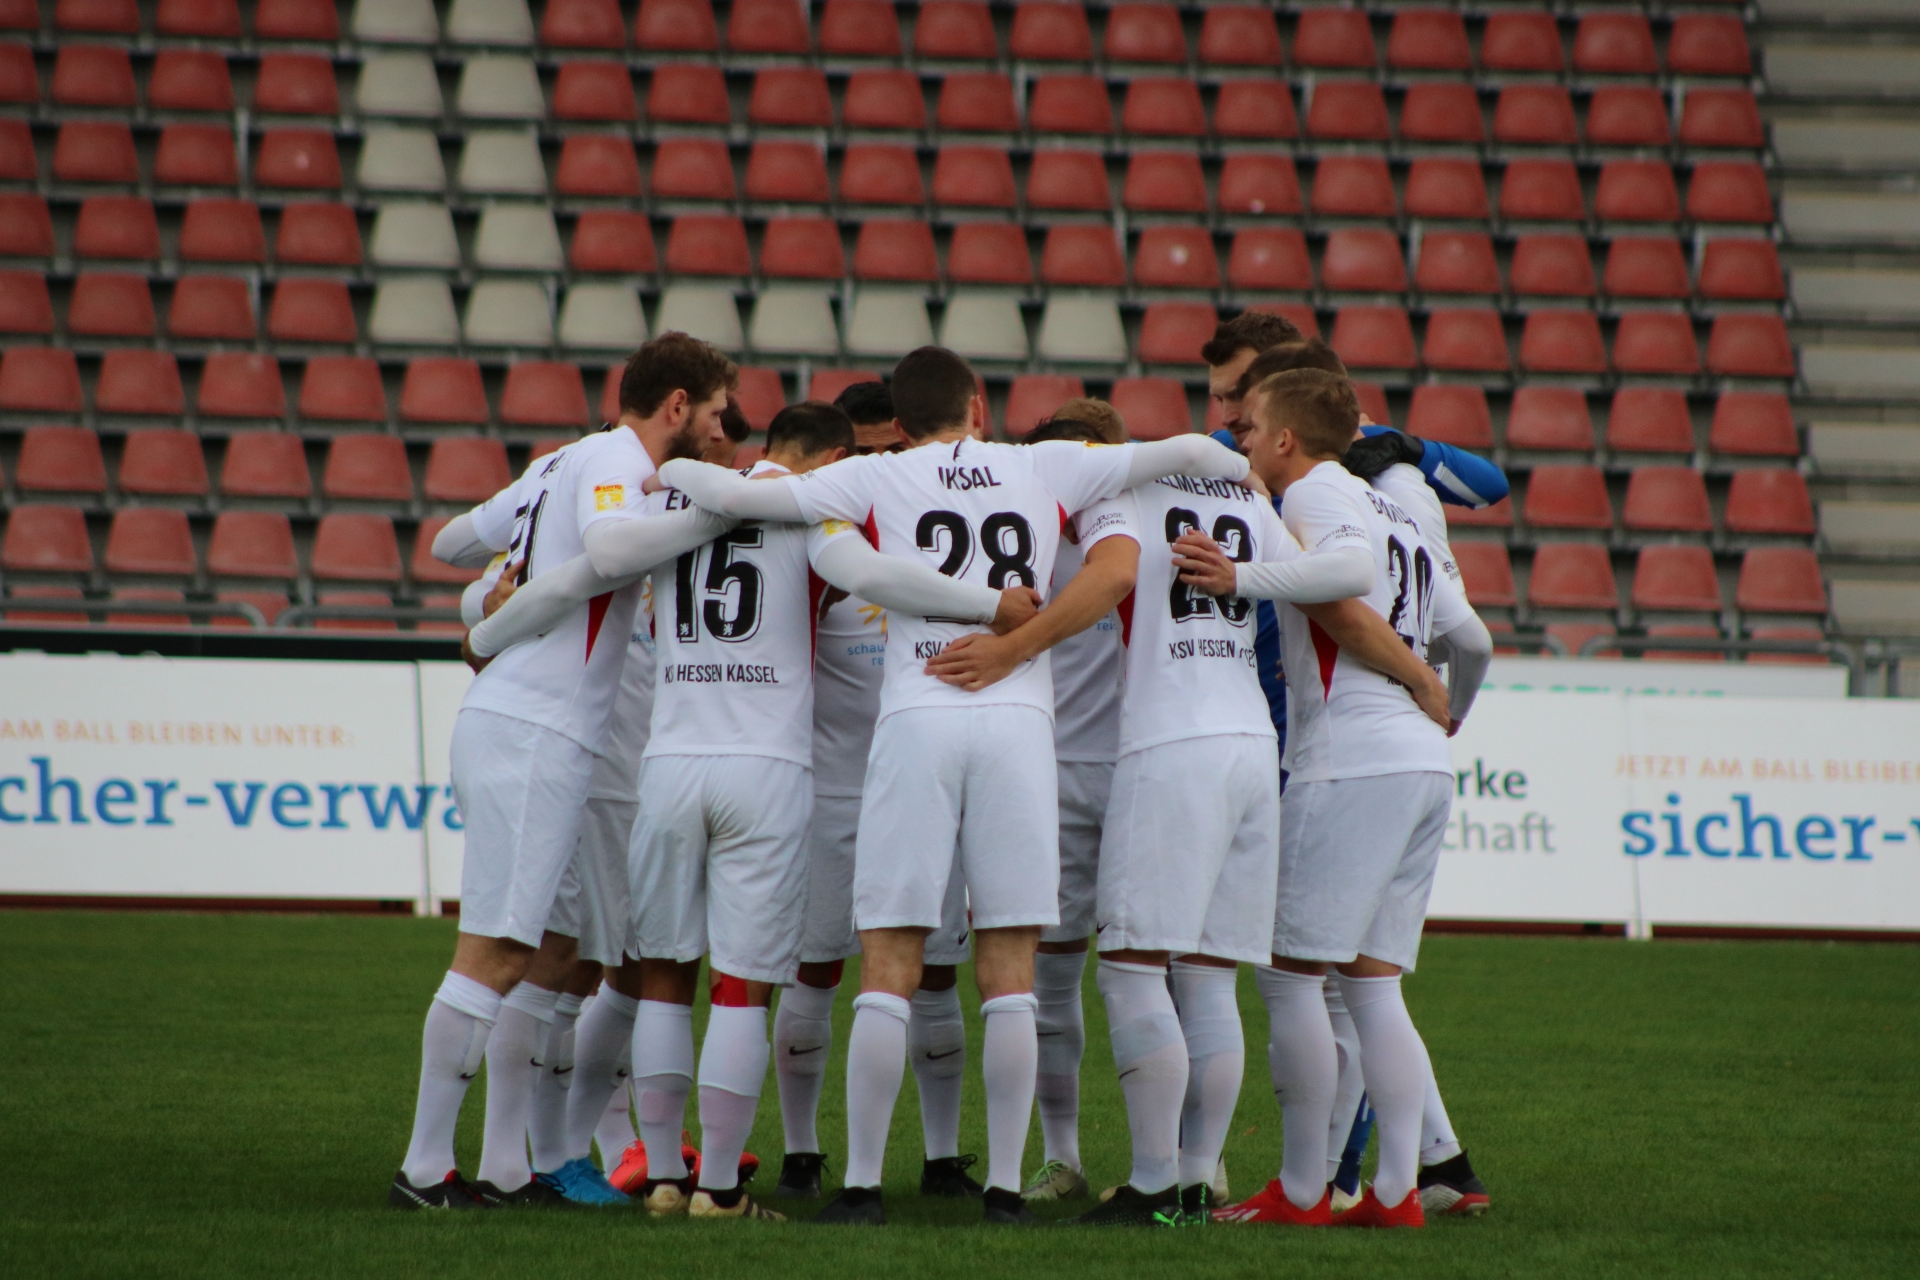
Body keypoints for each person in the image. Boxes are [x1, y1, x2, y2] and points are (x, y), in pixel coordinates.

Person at [653, 345, 1253, 1226]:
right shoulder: (1046, 464)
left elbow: (739, 497)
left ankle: (861, 1186)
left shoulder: (875, 473)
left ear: (898, 422)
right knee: (1009, 971)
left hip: (918, 716)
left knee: (889, 964)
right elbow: (1197, 453)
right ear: (978, 405)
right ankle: (1005, 1190)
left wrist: (666, 466)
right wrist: (1240, 465)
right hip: (1018, 724)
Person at [389, 333, 740, 1210]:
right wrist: (718, 513)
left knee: (539, 949)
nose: (721, 428)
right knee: (497, 949)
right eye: (714, 412)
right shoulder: (617, 462)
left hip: (526, 721)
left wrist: (490, 596)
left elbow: (452, 542)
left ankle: (507, 1169)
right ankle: (424, 1170)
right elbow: (614, 553)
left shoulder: (558, 463)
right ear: (676, 405)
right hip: (535, 730)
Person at [1186, 369, 1492, 1229]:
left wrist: (1239, 578)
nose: (1241, 439)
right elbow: (1473, 638)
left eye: (1251, 428)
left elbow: (1347, 575)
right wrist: (1446, 711)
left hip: (1351, 756)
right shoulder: (1398, 508)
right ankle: (1395, 1192)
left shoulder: (1318, 493)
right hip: (1420, 759)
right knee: (1372, 986)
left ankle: (1300, 1190)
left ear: (1287, 438)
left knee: (1288, 976)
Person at [773, 383, 983, 1204]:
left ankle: (941, 1158)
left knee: (934, 976)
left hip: (930, 783)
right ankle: (801, 1151)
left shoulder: (949, 535)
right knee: (815, 970)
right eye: (862, 456)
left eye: (890, 452)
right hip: (834, 791)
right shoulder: (819, 545)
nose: (881, 468)